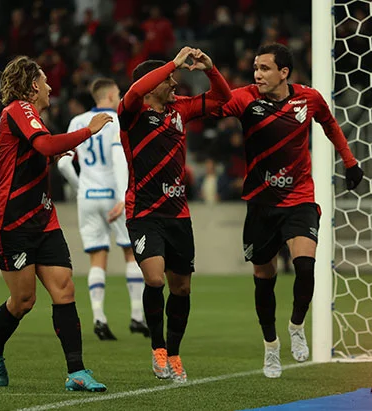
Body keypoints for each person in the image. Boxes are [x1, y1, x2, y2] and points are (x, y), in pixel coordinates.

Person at [213, 43, 364, 378]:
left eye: (265, 68)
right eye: (255, 67)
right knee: (264, 279)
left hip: (299, 198)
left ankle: (297, 325)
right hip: (261, 203)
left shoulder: (308, 98)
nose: (257, 74)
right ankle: (271, 347)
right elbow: (218, 104)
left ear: (284, 72)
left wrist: (350, 162)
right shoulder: (245, 97)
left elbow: (330, 124)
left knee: (306, 268)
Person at [0, 56, 111, 391]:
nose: (51, 87)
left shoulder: (30, 117)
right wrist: (87, 130)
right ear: (33, 85)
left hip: (43, 216)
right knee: (23, 301)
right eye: (45, 80)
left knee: (64, 288)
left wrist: (50, 156)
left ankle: (77, 372)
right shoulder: (19, 109)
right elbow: (44, 144)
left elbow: (36, 152)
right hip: (13, 222)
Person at [118, 47, 231, 382]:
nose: (175, 82)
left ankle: (175, 352)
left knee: (181, 289)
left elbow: (222, 99)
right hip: (143, 212)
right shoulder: (132, 112)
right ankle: (158, 349)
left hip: (178, 215)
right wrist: (171, 62)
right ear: (153, 84)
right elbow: (134, 90)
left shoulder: (179, 108)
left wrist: (211, 69)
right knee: (154, 278)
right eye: (169, 79)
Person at [57, 78, 149, 341]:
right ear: (110, 95)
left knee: (97, 258)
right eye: (118, 93)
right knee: (130, 253)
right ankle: (136, 317)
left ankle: (98, 317)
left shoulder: (76, 122)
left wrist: (80, 188)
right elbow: (120, 159)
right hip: (114, 195)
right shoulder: (117, 119)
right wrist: (122, 195)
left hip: (87, 197)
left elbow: (63, 165)